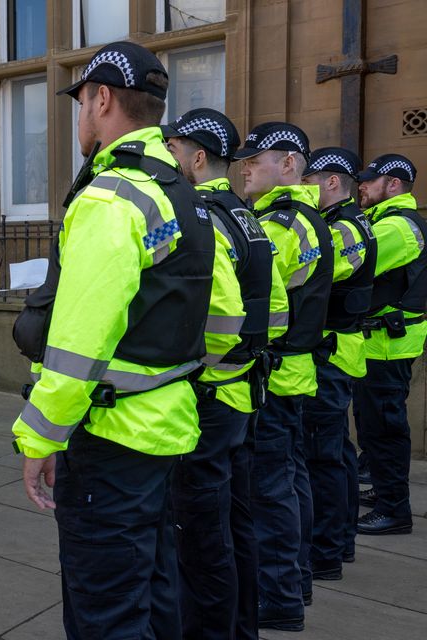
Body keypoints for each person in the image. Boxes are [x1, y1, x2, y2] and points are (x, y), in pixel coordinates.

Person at [11, 42, 215, 639]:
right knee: (154, 590)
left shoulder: (112, 198)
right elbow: (223, 312)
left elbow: (78, 344)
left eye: (79, 105)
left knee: (107, 611)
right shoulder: (183, 196)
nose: (78, 120)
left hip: (111, 439)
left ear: (101, 100)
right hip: (166, 426)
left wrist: (40, 436)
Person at [163, 108, 288, 640]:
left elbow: (221, 318)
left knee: (203, 539)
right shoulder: (248, 218)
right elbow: (276, 308)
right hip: (244, 395)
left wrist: (199, 370)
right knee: (237, 527)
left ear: (196, 158)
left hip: (211, 399)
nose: (168, 161)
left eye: (174, 152)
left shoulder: (200, 216)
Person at [236, 122, 334, 631]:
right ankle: (296, 580)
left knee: (269, 491)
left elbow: (253, 300)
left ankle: (278, 597)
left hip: (273, 376)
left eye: (256, 159)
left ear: (290, 164)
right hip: (295, 374)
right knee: (292, 483)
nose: (245, 168)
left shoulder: (278, 226)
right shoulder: (309, 219)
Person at [300, 148, 376, 579]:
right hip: (334, 351)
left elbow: (316, 275)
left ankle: (326, 550)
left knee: (323, 457)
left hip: (331, 353)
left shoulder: (345, 227)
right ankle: (339, 541)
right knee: (336, 454)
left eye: (309, 180)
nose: (303, 187)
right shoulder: (339, 222)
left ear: (331, 182)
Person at [354, 153, 423, 535]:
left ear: (392, 185)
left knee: (385, 430)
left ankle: (394, 509)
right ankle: (383, 492)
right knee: (374, 426)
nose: (361, 186)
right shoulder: (386, 221)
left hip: (386, 344)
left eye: (369, 180)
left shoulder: (397, 226)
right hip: (380, 342)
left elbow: (355, 265)